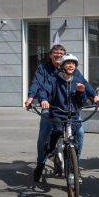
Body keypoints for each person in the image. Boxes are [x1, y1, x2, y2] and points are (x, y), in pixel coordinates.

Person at [25, 45, 99, 181]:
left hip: (70, 109)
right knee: (45, 132)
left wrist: (93, 95)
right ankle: (41, 162)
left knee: (81, 132)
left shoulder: (72, 70)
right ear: (50, 55)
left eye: (61, 53)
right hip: (52, 105)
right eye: (55, 53)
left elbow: (84, 83)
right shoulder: (44, 68)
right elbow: (38, 84)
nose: (58, 55)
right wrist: (33, 98)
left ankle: (75, 164)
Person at [34, 54, 88, 182]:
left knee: (76, 137)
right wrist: (44, 100)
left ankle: (75, 165)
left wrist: (81, 92)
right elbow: (43, 90)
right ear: (62, 66)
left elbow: (82, 101)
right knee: (56, 131)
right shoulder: (54, 80)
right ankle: (49, 150)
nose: (71, 66)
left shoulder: (77, 81)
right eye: (68, 63)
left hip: (73, 115)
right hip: (58, 113)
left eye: (73, 64)